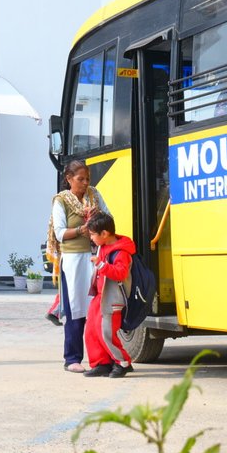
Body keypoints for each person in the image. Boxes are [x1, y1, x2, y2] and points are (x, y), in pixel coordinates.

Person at [51, 158, 107, 372]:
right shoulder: (61, 200)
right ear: (69, 179)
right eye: (80, 179)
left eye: (87, 179)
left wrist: (97, 218)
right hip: (73, 260)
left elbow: (109, 218)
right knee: (75, 309)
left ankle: (101, 358)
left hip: (96, 256)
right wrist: (81, 230)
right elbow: (60, 233)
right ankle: (72, 358)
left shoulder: (95, 195)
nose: (85, 183)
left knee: (97, 308)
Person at [84, 212, 136, 378]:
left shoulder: (121, 252)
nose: (91, 237)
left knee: (106, 333)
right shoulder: (103, 246)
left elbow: (121, 273)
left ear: (104, 233)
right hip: (99, 297)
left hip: (112, 300)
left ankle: (123, 362)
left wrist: (101, 265)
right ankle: (102, 363)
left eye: (93, 234)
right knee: (92, 331)